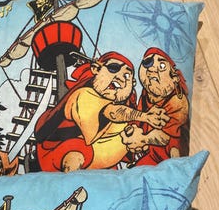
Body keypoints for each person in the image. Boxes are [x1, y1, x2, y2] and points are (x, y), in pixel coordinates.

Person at [34, 52, 170, 172]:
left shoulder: (124, 109)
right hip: (56, 155)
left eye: (127, 75)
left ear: (133, 84)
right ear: (96, 69)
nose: (120, 78)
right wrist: (143, 116)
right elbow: (112, 112)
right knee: (78, 151)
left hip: (101, 164)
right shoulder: (84, 95)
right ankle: (70, 184)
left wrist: (143, 138)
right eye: (113, 68)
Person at [121, 48, 190, 165]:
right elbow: (139, 120)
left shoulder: (178, 101)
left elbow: (166, 137)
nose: (152, 69)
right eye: (147, 63)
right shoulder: (147, 94)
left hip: (169, 154)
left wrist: (143, 139)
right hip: (151, 153)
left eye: (162, 66)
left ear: (174, 78)